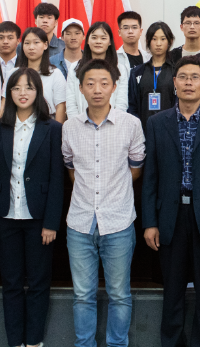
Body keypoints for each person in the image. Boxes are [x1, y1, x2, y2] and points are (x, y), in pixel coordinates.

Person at [142, 55, 200, 347]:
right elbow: (150, 177)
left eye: (194, 77)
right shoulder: (156, 123)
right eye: (182, 77)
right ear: (174, 82)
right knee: (172, 292)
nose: (188, 83)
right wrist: (150, 222)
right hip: (169, 217)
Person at [62, 59, 146, 347]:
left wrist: (112, 192)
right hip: (80, 223)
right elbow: (71, 169)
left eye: (103, 83)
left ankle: (116, 344)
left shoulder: (131, 124)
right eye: (90, 83)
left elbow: (136, 169)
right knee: (82, 295)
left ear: (114, 86)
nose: (97, 89)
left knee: (119, 295)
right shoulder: (69, 127)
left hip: (118, 221)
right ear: (81, 88)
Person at [0, 68, 64, 347]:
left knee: (39, 283)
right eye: (16, 88)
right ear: (9, 93)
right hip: (6, 217)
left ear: (38, 92)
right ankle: (15, 342)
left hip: (38, 218)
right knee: (11, 283)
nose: (23, 93)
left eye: (29, 87)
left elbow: (57, 180)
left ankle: (34, 341)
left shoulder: (52, 128)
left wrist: (51, 223)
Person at [65, 21, 129, 119]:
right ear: (87, 40)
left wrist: (112, 122)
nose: (98, 41)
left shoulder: (120, 69)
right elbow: (71, 103)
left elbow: (121, 103)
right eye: (94, 37)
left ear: (110, 42)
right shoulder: (75, 68)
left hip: (113, 123)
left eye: (103, 38)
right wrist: (78, 123)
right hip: (81, 123)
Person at [128, 21, 177, 130]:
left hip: (169, 130)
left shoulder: (176, 72)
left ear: (170, 41)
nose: (158, 43)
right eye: (154, 39)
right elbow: (132, 106)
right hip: (143, 130)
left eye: (163, 39)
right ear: (148, 41)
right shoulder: (137, 72)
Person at [13, 27, 67, 122]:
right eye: (27, 43)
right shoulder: (14, 73)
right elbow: (5, 102)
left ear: (45, 45)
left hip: (48, 121)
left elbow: (61, 106)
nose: (31, 47)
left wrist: (57, 129)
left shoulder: (55, 73)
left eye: (36, 42)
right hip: (18, 122)